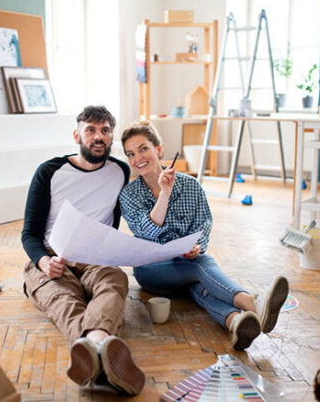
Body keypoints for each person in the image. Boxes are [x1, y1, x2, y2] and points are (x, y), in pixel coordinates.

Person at [119, 121, 289, 350]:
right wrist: (164, 194)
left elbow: (203, 223)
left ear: (159, 150)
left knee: (198, 285)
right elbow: (146, 230)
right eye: (130, 153)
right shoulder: (129, 194)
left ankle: (235, 322)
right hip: (150, 270)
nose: (137, 157)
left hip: (187, 266)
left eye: (143, 148)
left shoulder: (191, 186)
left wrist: (197, 246)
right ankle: (252, 303)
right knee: (201, 266)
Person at [21, 106, 145, 395]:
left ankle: (95, 346)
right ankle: (103, 350)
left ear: (111, 135)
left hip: (96, 255)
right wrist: (42, 262)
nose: (98, 136)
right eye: (91, 130)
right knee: (62, 299)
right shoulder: (49, 171)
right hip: (55, 254)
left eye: (104, 130)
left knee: (115, 283)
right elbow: (29, 233)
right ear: (77, 135)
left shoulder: (120, 171)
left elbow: (113, 222)